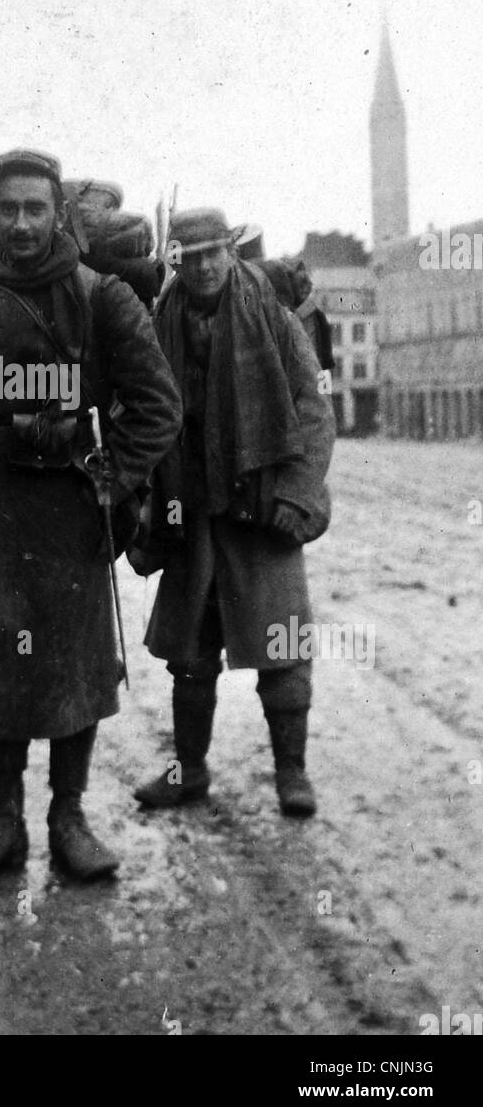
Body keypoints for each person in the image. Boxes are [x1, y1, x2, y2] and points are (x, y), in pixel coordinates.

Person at [0, 149, 182, 880]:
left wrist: (111, 479)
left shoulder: (102, 299)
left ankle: (68, 819)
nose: (21, 224)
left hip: (68, 516)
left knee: (72, 673)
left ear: (58, 215)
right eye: (8, 210)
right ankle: (1, 823)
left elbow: (158, 406)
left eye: (35, 209)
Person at [132, 208, 335, 817]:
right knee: (190, 658)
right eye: (190, 258)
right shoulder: (161, 321)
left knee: (283, 651)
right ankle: (187, 771)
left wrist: (296, 494)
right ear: (176, 262)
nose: (203, 267)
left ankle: (292, 774)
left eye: (213, 253)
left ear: (230, 251)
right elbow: (142, 409)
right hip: (193, 513)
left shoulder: (271, 316)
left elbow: (313, 409)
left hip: (262, 508)